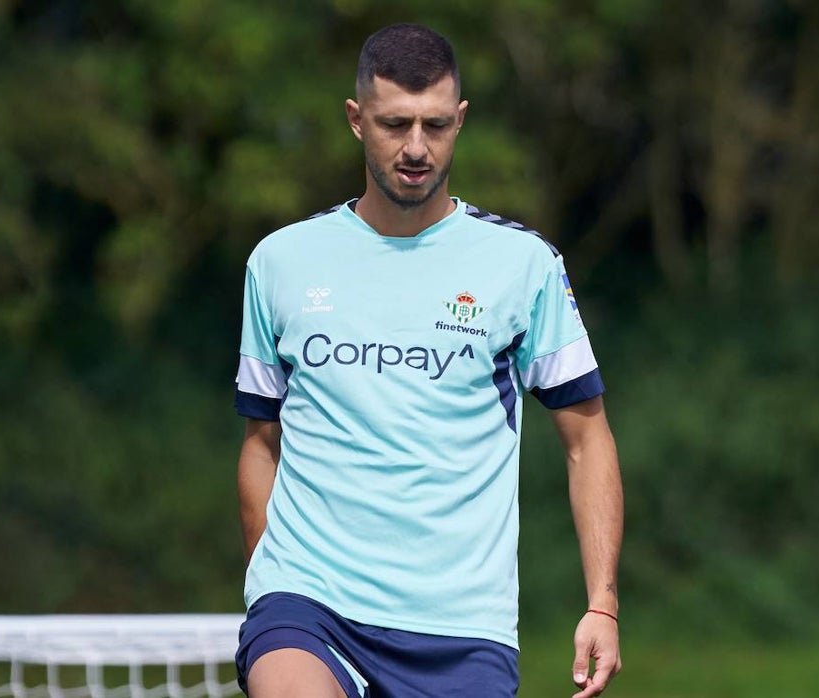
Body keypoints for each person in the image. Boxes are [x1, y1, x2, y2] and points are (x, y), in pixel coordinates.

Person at [233, 23, 623, 698]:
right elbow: (260, 442)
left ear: (460, 121)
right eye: (395, 124)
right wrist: (272, 591)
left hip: (462, 628)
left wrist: (602, 603)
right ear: (357, 121)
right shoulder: (281, 263)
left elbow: (587, 439)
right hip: (310, 602)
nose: (416, 147)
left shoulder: (523, 267)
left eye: (436, 126)